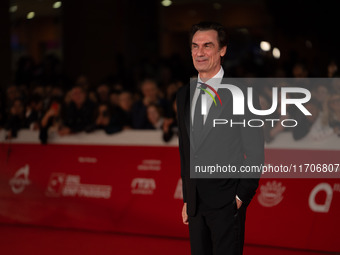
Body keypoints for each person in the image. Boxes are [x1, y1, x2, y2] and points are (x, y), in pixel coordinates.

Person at [176, 21, 264, 255]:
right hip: (196, 204)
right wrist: (188, 198)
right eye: (195, 46)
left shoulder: (243, 93)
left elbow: (255, 153)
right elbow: (186, 149)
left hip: (227, 203)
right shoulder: (184, 94)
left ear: (222, 50)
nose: (200, 52)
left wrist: (239, 197)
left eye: (207, 46)